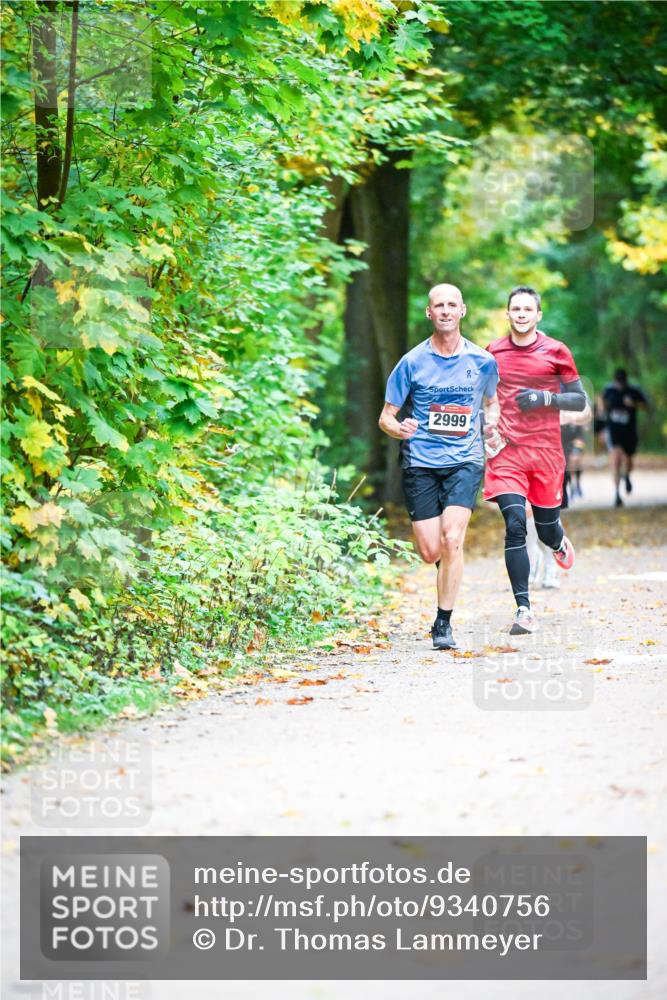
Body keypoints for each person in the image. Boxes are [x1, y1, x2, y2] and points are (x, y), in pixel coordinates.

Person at [379, 283, 499, 650]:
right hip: (421, 462)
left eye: (452, 304)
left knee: (452, 538)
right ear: (429, 313)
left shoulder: (482, 361)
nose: (445, 310)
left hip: (465, 459)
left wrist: (491, 423)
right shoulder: (411, 362)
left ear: (463, 310)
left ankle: (443, 623)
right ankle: (445, 566)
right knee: (431, 551)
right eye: (438, 305)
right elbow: (386, 417)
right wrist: (399, 429)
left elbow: (493, 403)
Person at [483, 286, 586, 635]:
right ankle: (523, 608)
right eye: (516, 308)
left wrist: (544, 397)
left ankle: (557, 541)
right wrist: (485, 426)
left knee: (544, 528)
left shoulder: (556, 351)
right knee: (515, 523)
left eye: (528, 309)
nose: (522, 314)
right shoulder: (492, 352)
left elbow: (579, 401)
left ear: (538, 315)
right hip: (507, 453)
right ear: (508, 313)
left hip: (545, 454)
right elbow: (480, 397)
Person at [602, 368, 649, 507]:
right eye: (618, 382)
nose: (620, 385)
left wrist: (633, 404)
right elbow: (601, 401)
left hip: (629, 432)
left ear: (626, 381)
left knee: (628, 461)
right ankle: (617, 494)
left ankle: (627, 475)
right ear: (614, 380)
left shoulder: (634, 391)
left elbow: (646, 406)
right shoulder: (609, 390)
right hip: (613, 431)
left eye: (622, 382)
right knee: (615, 460)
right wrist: (602, 409)